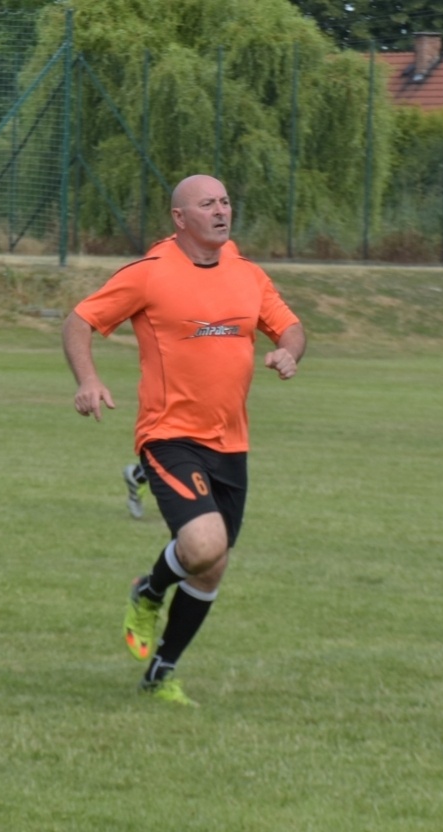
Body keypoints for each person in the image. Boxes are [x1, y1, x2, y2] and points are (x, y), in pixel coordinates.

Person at [61, 174, 305, 707]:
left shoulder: (249, 276)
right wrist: (88, 380)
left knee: (211, 565)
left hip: (232, 444)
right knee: (202, 546)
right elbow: (79, 320)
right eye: (207, 204)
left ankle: (161, 670)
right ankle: (148, 591)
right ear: (180, 218)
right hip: (169, 436)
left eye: (225, 202)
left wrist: (289, 350)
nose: (221, 211)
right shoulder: (150, 275)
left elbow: (290, 326)